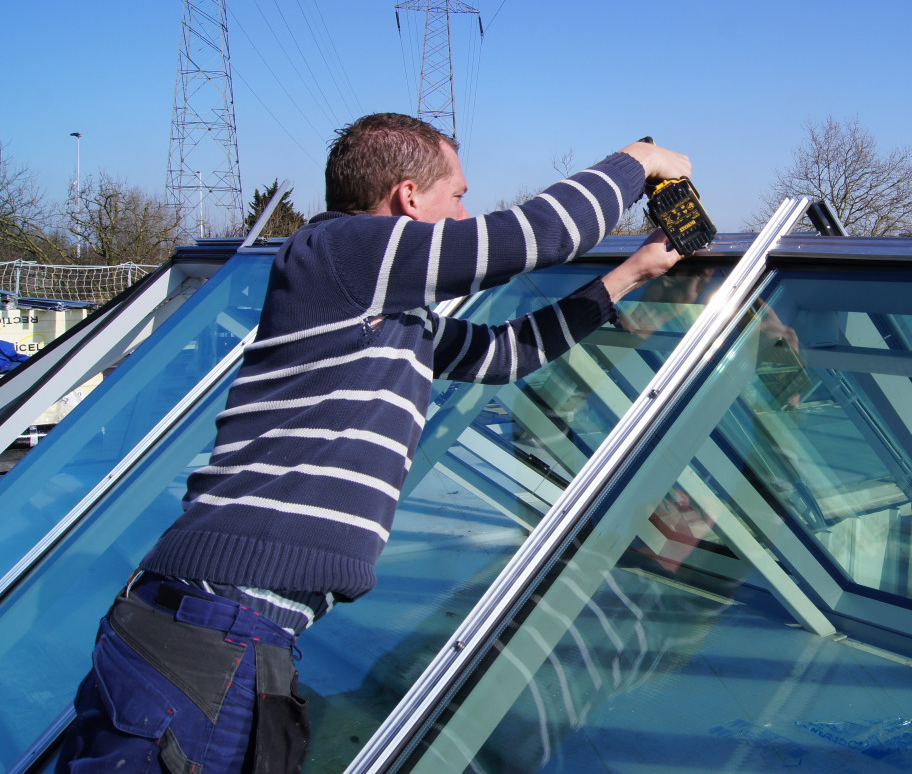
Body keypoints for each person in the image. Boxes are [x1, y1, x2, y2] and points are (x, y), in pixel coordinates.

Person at [57, 113, 693, 774]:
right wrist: (637, 160)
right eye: (458, 193)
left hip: (222, 631)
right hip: (212, 635)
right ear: (409, 196)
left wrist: (631, 275)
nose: (467, 210)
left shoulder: (383, 310)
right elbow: (529, 238)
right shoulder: (337, 250)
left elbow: (505, 354)